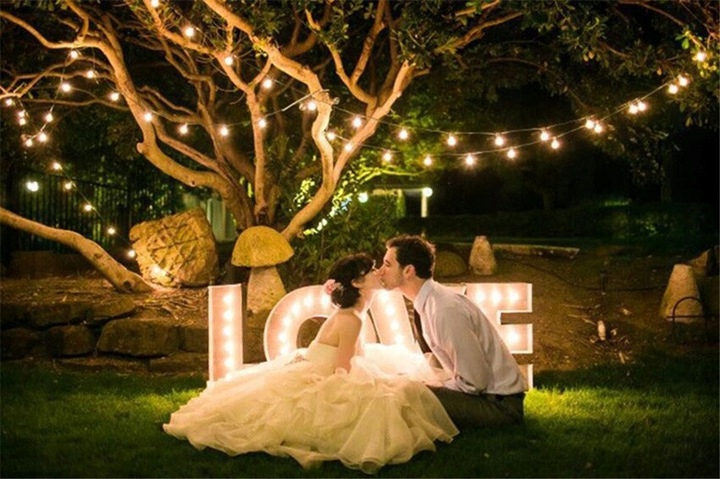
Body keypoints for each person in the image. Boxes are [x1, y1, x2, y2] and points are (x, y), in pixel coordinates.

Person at [163, 253, 458, 474]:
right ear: (357, 283)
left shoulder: (355, 314)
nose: (378, 272)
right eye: (371, 271)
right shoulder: (352, 319)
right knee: (384, 400)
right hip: (326, 371)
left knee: (396, 382)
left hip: (325, 363)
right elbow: (343, 370)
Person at [378, 234, 527, 428]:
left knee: (407, 395)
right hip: (486, 397)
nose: (380, 271)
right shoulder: (431, 301)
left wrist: (435, 387)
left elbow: (475, 381)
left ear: (408, 271)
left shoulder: (444, 310)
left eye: (387, 265)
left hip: (499, 406)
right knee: (401, 387)